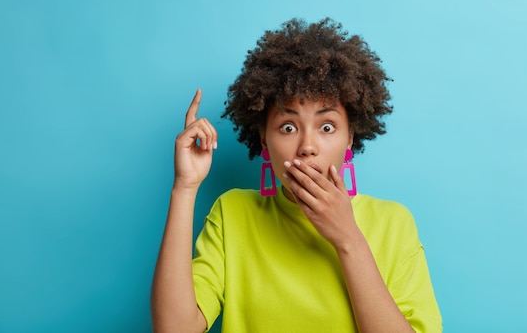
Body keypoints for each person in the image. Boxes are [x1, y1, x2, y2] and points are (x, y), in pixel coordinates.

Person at [151, 18, 442, 333]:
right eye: (288, 127)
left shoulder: (393, 223)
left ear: (350, 138)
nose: (307, 147)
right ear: (264, 140)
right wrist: (185, 187)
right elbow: (174, 328)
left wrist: (348, 239)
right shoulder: (231, 214)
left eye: (326, 126)